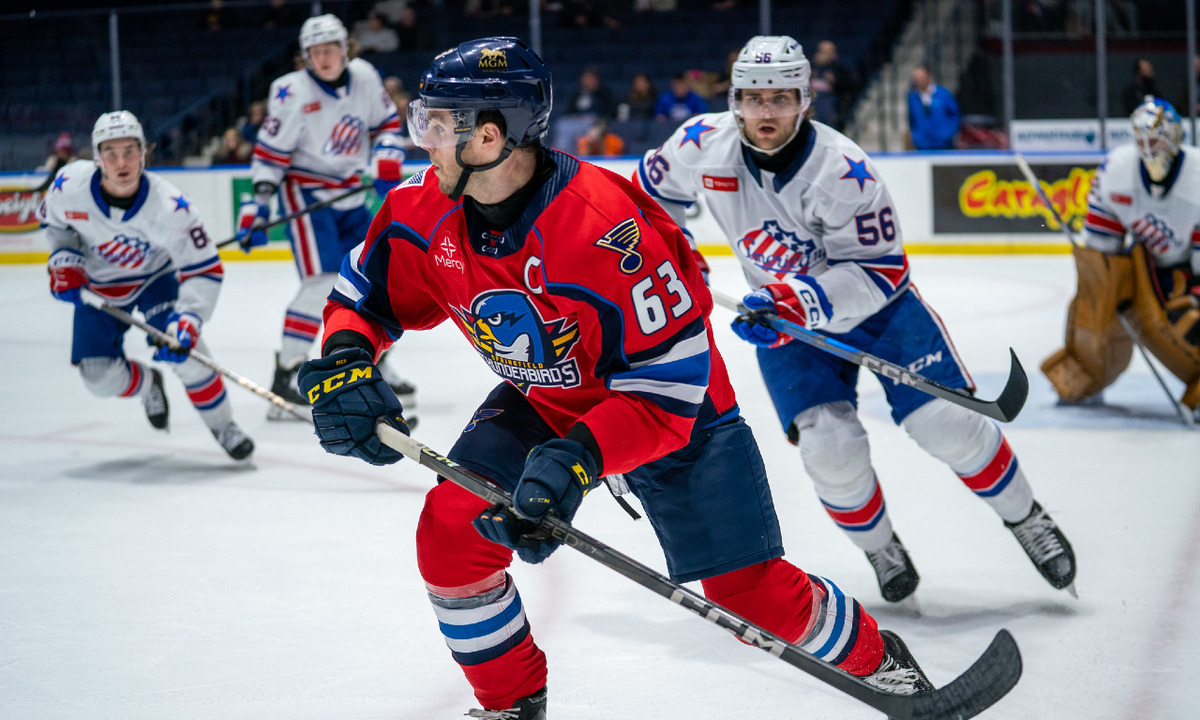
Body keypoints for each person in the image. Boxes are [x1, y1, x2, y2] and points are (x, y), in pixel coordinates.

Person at [298, 36, 938, 719]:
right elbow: (362, 295)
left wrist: (578, 460)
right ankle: (511, 703)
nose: (421, 139)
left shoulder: (605, 228)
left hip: (674, 414)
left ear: (489, 135)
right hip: (544, 397)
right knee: (452, 535)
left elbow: (671, 386)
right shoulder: (419, 207)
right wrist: (345, 362)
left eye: (437, 123)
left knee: (751, 596)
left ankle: (881, 663)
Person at [635, 36, 1076, 606]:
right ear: (734, 100)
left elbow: (882, 272)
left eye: (780, 98)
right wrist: (677, 249)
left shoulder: (843, 170)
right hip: (787, 324)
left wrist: (797, 300)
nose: (766, 112)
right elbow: (649, 196)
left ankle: (1026, 517)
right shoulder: (700, 144)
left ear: (805, 100)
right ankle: (881, 548)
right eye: (753, 97)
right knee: (829, 450)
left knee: (947, 424)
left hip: (877, 313)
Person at [38, 111, 254, 460]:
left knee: (189, 355)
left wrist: (189, 319)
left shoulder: (171, 207)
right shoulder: (69, 186)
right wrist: (64, 257)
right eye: (111, 153)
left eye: (130, 151)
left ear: (144, 153)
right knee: (98, 378)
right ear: (97, 157)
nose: (121, 162)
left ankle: (224, 425)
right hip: (99, 285)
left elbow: (204, 269)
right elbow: (54, 223)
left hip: (155, 279)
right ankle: (147, 384)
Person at [237, 14, 416, 420]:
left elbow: (386, 125)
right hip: (306, 193)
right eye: (315, 51)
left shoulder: (365, 76)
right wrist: (259, 202)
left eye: (330, 48)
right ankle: (287, 372)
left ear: (345, 48)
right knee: (321, 283)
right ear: (305, 56)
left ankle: (374, 362)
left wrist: (387, 153)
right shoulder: (289, 91)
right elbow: (270, 154)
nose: (324, 57)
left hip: (351, 192)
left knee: (373, 279)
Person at [1045, 97, 1200, 402]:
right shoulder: (1117, 169)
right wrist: (1101, 285)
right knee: (1094, 302)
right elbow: (1101, 251)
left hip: (1186, 269)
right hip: (1141, 264)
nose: (1148, 150)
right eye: (1141, 141)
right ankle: (1088, 370)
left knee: (1190, 321)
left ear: (1174, 137)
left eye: (1155, 141)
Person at [906, 65, 960, 150]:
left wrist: (947, 134)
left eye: (921, 77)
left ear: (929, 77)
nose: (918, 80)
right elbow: (912, 120)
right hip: (922, 146)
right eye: (916, 78)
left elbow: (955, 115)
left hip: (943, 145)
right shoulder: (913, 98)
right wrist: (916, 137)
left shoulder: (943, 94)